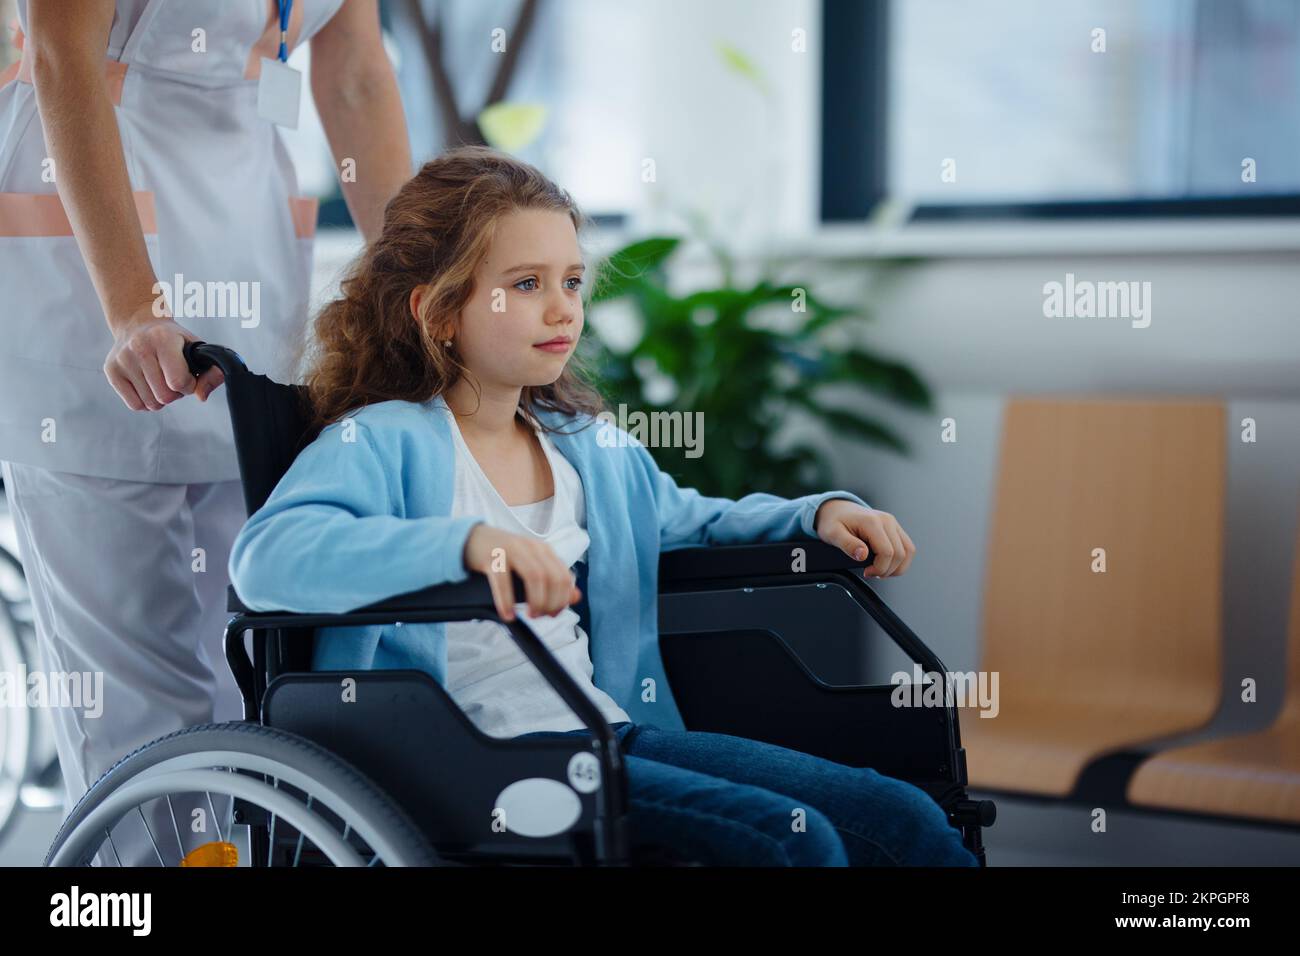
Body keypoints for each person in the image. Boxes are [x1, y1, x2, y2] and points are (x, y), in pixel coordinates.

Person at [227, 145, 977, 866]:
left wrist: (811, 517)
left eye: (573, 282)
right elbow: (268, 561)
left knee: (900, 817)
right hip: (468, 762)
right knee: (792, 839)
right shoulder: (381, 440)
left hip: (606, 732)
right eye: (526, 285)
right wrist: (465, 547)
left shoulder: (581, 446)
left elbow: (695, 519)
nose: (562, 310)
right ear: (439, 312)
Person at [0, 0, 410, 864]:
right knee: (138, 710)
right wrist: (130, 310)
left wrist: (417, 301)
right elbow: (60, 54)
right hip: (87, 248)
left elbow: (356, 74)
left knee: (253, 669)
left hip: (245, 242)